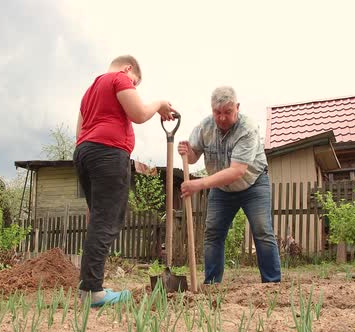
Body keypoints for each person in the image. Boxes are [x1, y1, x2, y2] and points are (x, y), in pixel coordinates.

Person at [74, 55, 177, 306]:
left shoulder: (89, 91)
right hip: (108, 153)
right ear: (129, 69)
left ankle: (89, 286)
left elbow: (79, 132)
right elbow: (139, 113)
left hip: (84, 153)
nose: (134, 87)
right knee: (106, 222)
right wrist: (160, 104)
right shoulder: (119, 78)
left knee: (98, 219)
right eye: (136, 83)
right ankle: (92, 292)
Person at [177, 86, 281, 284]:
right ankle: (212, 283)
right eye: (217, 113)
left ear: (237, 108)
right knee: (213, 232)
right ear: (212, 110)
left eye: (228, 112)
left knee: (262, 230)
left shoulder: (248, 128)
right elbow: (192, 157)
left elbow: (236, 171)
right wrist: (187, 152)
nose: (222, 118)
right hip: (222, 189)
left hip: (253, 183)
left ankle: (272, 283)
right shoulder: (204, 127)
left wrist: (199, 184)